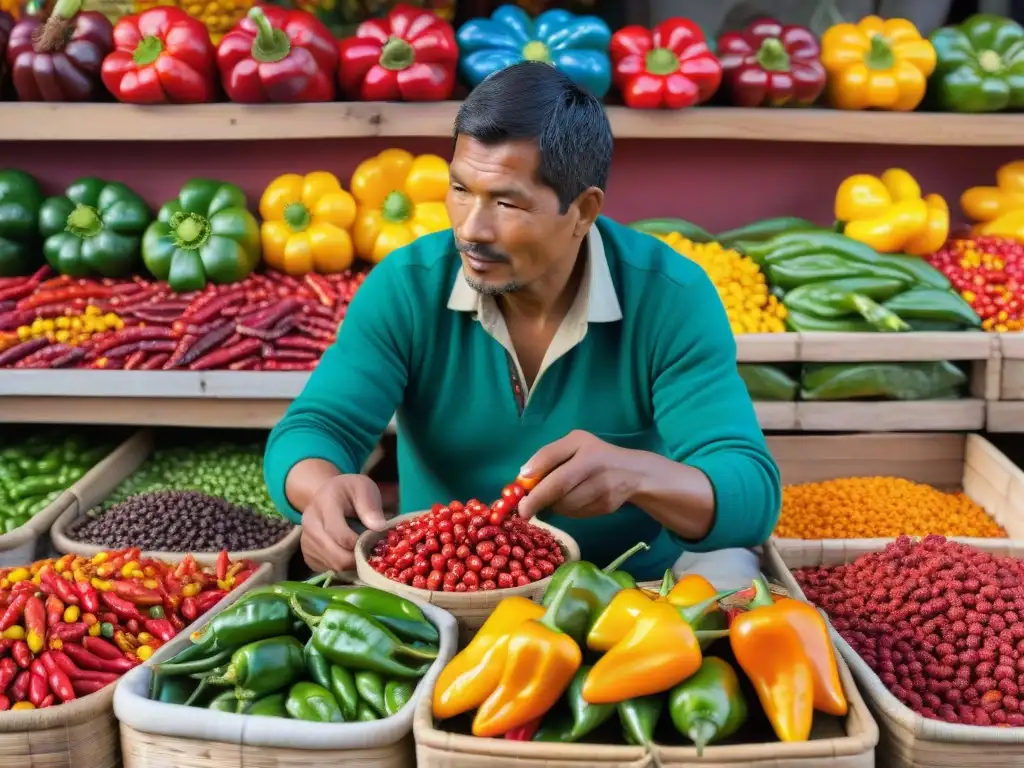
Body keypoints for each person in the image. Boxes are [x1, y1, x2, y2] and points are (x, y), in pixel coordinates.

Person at [264, 61, 781, 581]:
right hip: (439, 589)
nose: (471, 229)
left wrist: (638, 476)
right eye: (461, 189)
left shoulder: (670, 296)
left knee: (737, 578)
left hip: (628, 594)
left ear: (583, 211)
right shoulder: (407, 286)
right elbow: (314, 428)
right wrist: (320, 489)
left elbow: (750, 492)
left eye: (506, 202)